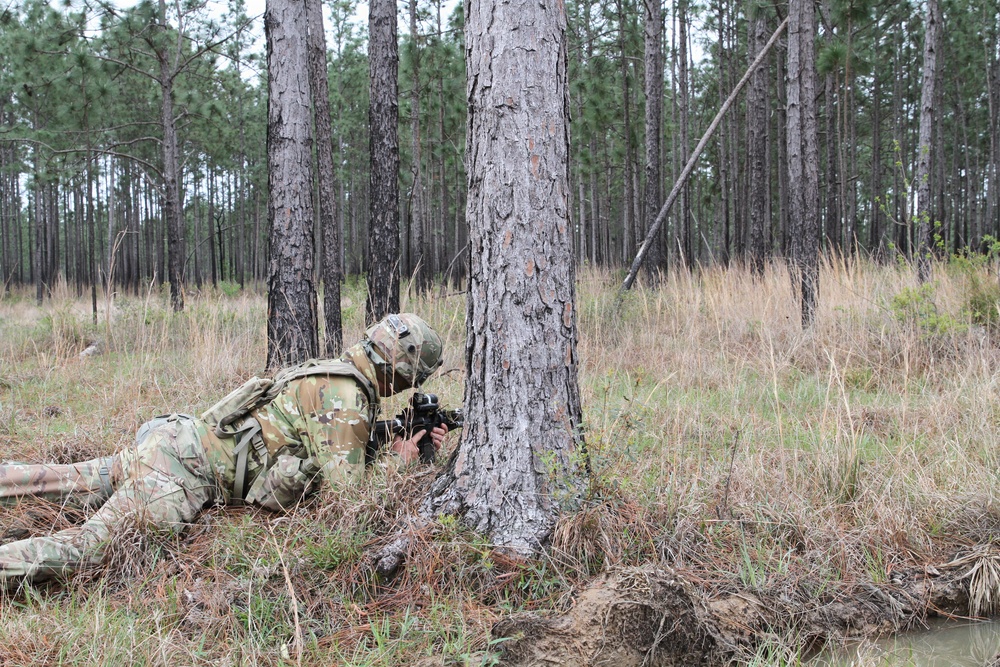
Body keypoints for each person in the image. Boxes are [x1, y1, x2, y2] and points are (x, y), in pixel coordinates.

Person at [0, 313, 449, 588]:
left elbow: (308, 438)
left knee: (49, 479)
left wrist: (390, 437)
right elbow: (351, 502)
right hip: (180, 478)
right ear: (403, 368)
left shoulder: (332, 373)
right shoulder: (346, 399)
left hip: (174, 440)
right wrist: (399, 460)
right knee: (86, 550)